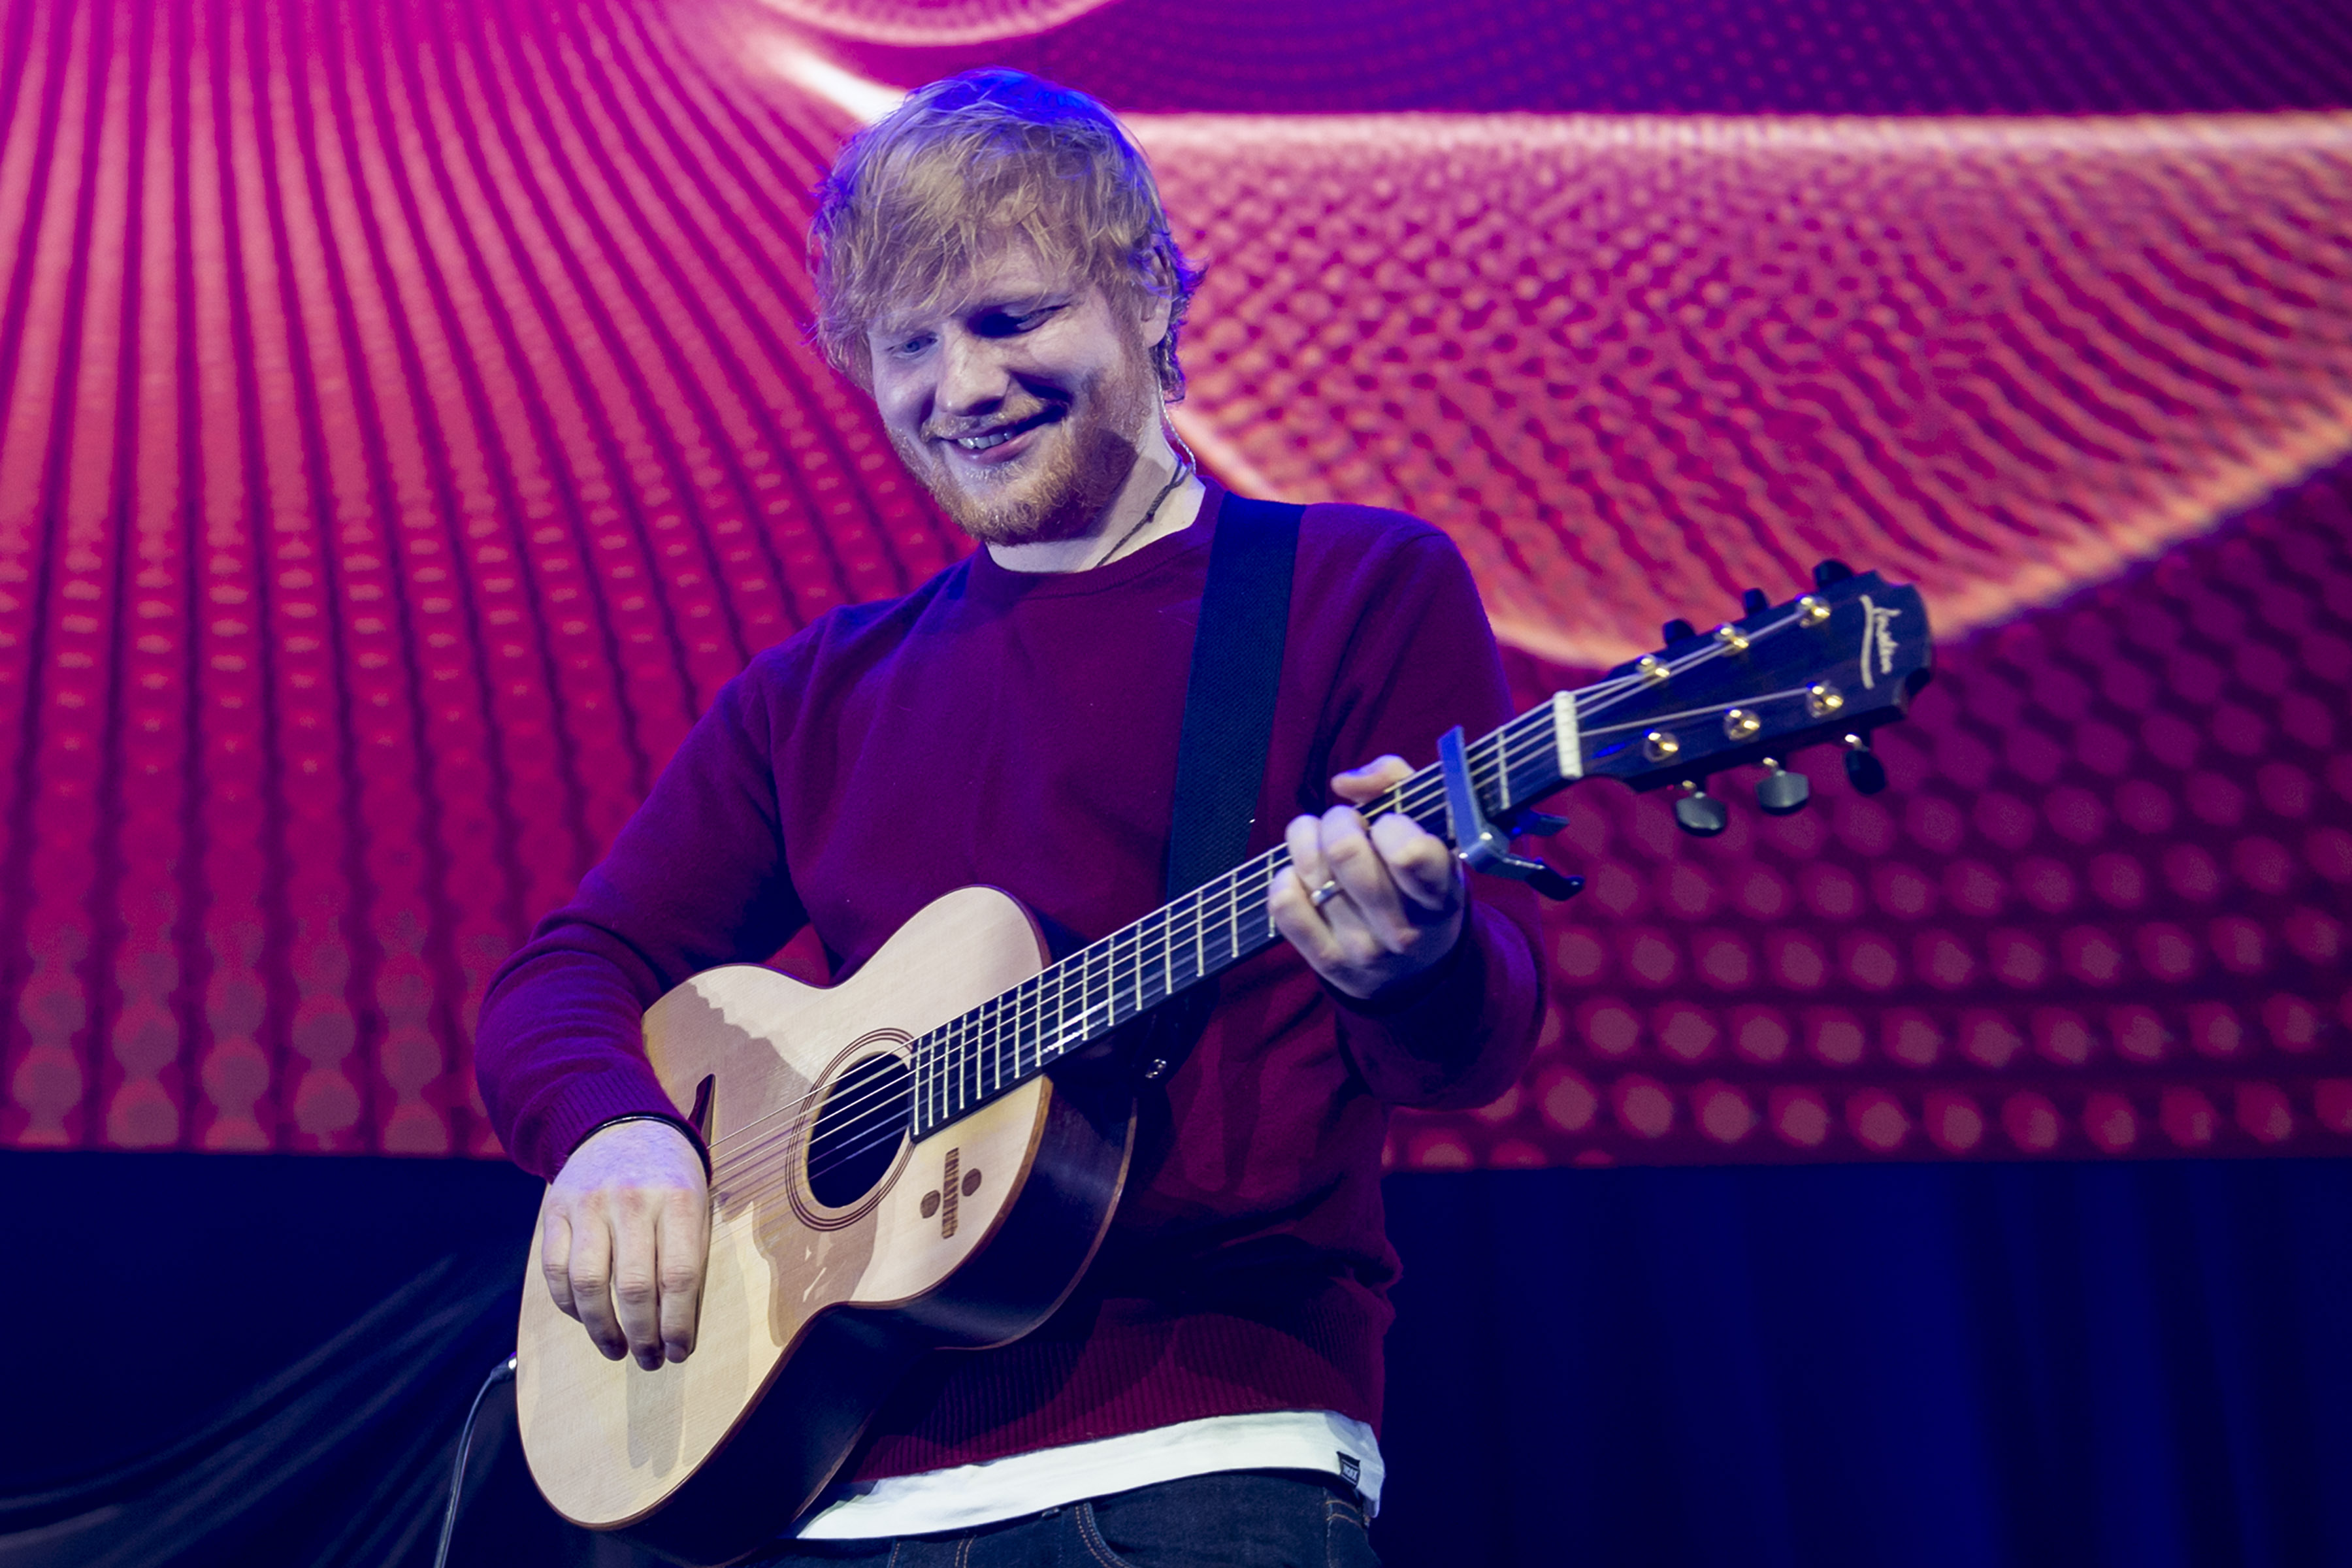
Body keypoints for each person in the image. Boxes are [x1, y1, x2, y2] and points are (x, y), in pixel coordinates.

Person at [474, 69, 1544, 1567]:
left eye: (1011, 318)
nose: (959, 389)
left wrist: (1410, 962)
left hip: (1207, 1469)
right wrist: (611, 1134)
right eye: (907, 344)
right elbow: (565, 974)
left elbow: (1468, 1046)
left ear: (1154, 302)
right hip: (827, 1487)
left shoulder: (1351, 591)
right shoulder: (817, 694)